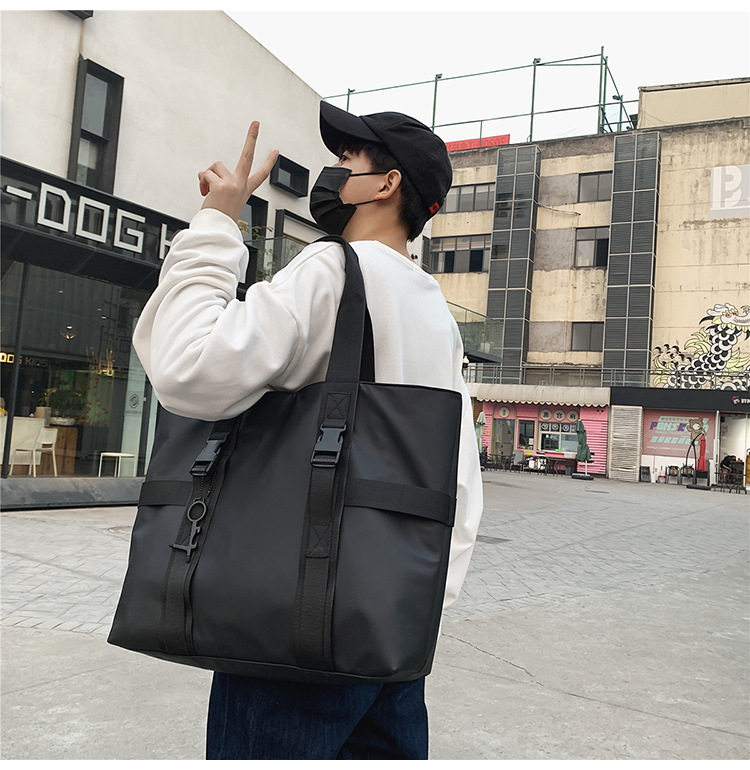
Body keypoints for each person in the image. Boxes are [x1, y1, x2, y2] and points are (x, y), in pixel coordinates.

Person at [131, 102, 483, 760]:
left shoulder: (331, 271)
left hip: (296, 623)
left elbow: (187, 369)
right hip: (391, 625)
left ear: (387, 184)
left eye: (348, 160)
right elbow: (458, 473)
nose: (333, 171)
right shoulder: (433, 308)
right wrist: (424, 597)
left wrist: (214, 226)